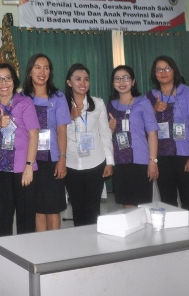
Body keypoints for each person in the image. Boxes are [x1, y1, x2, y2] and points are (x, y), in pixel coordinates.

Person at [0, 62, 39, 236]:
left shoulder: (25, 103)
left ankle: (26, 259)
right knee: (4, 218)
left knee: (26, 220)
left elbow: (34, 136)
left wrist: (29, 166)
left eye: (7, 78)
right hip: (1, 169)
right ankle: (5, 260)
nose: (3, 83)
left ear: (14, 81)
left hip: (23, 168)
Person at [146, 56, 189, 210]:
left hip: (185, 154)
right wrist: (154, 110)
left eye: (167, 68)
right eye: (159, 69)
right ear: (154, 73)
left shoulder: (188, 92)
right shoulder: (150, 97)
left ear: (174, 70)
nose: (163, 72)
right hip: (161, 156)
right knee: (167, 201)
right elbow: (144, 127)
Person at [21, 53, 70, 231]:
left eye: (46, 68)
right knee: (37, 207)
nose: (42, 72)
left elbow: (61, 130)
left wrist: (62, 159)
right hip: (30, 160)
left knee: (53, 207)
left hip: (52, 159)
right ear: (30, 71)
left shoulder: (58, 97)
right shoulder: (23, 97)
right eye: (38, 67)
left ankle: (55, 248)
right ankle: (41, 248)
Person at [64, 63, 114, 226]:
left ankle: (95, 245)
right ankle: (81, 246)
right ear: (69, 82)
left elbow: (105, 133)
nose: (82, 83)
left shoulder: (98, 103)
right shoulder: (62, 105)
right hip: (71, 164)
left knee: (93, 208)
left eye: (86, 79)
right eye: (78, 79)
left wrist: (109, 161)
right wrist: (69, 117)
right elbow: (58, 134)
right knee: (77, 208)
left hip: (95, 162)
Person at [107, 65, 159, 208]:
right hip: (120, 162)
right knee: (127, 205)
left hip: (141, 161)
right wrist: (110, 128)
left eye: (126, 78)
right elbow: (106, 137)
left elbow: (152, 133)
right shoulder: (110, 106)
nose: (121, 82)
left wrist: (153, 161)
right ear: (113, 83)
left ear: (133, 81)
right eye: (117, 79)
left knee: (143, 206)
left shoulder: (143, 102)